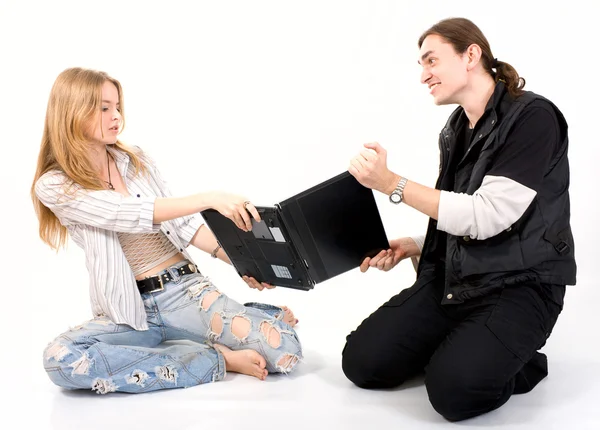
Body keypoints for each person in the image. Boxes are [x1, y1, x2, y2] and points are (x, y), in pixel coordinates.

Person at [342, 17, 576, 421]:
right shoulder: (455, 128)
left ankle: (516, 361)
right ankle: (465, 346)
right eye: (420, 64)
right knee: (362, 363)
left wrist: (391, 183)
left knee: (454, 392)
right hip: (456, 281)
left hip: (521, 285)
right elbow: (461, 208)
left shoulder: (534, 118)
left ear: (471, 55)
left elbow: (487, 216)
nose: (422, 75)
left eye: (431, 60)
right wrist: (418, 243)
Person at [31, 67, 302, 394]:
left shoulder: (137, 161)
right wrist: (209, 199)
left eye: (117, 107)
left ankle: (249, 318)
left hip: (185, 293)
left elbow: (182, 225)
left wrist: (244, 264)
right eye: (103, 108)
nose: (116, 116)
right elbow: (123, 213)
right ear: (71, 111)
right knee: (61, 359)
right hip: (127, 312)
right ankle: (214, 357)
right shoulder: (54, 185)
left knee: (285, 350)